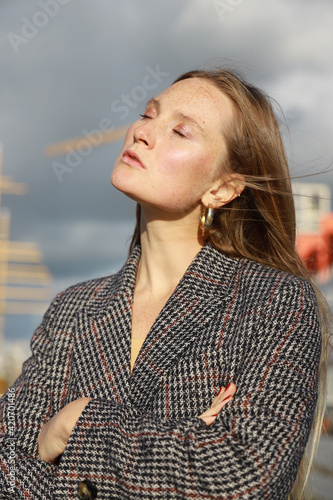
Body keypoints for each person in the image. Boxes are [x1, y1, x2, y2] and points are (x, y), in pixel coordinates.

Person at [0, 68, 331, 500]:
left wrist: (75, 424)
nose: (142, 132)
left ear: (223, 188)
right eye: (147, 114)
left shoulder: (275, 302)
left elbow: (247, 479)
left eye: (179, 131)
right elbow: (7, 459)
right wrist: (182, 443)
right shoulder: (73, 308)